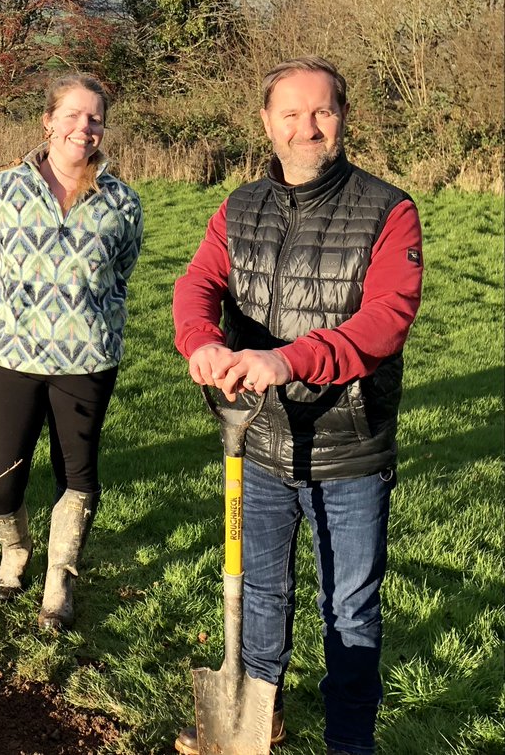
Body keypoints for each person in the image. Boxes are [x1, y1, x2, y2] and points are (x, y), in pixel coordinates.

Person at [171, 56, 424, 755]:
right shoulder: (240, 206)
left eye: (322, 112)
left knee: (349, 609)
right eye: (290, 112)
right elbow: (197, 283)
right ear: (266, 122)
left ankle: (349, 740)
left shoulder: (389, 209)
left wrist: (286, 359)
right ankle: (257, 718)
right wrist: (200, 342)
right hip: (257, 440)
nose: (306, 127)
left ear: (343, 118)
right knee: (258, 591)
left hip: (350, 448)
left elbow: (385, 322)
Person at [0, 73, 143, 631]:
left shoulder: (121, 202)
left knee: (77, 472)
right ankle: (14, 552)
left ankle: (58, 583)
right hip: (11, 355)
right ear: (48, 121)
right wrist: (13, 314)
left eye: (93, 118)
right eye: (71, 115)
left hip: (87, 360)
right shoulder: (1, 191)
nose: (82, 128)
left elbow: (121, 272)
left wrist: (82, 315)